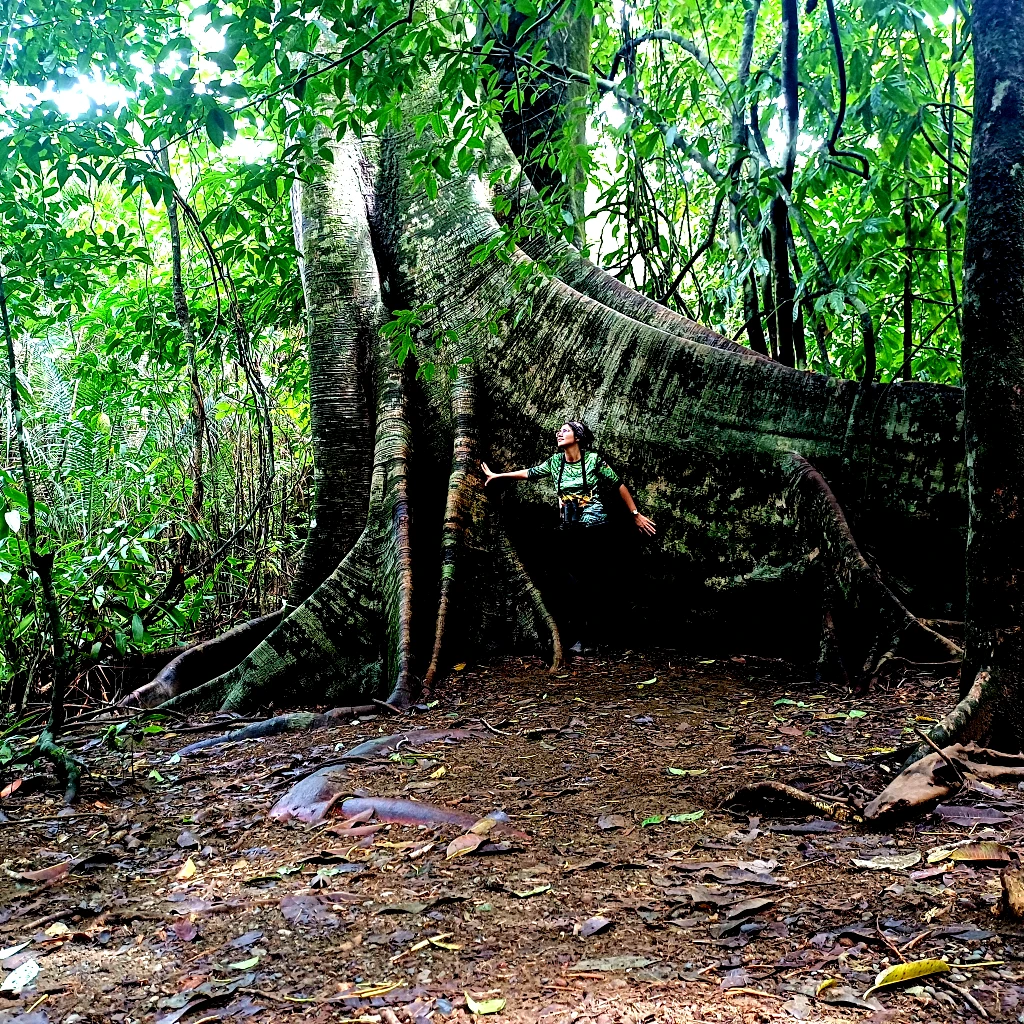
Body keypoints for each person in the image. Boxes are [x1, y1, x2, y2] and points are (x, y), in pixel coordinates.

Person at [482, 421, 655, 651]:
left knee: (595, 582)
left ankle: (593, 638)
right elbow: (529, 473)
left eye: (565, 430)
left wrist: (635, 514)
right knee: (569, 582)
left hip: (595, 530)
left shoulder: (593, 460)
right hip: (570, 531)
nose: (559, 434)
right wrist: (498, 476)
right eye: (559, 431)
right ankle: (570, 635)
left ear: (579, 436)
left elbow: (618, 485)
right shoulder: (556, 463)